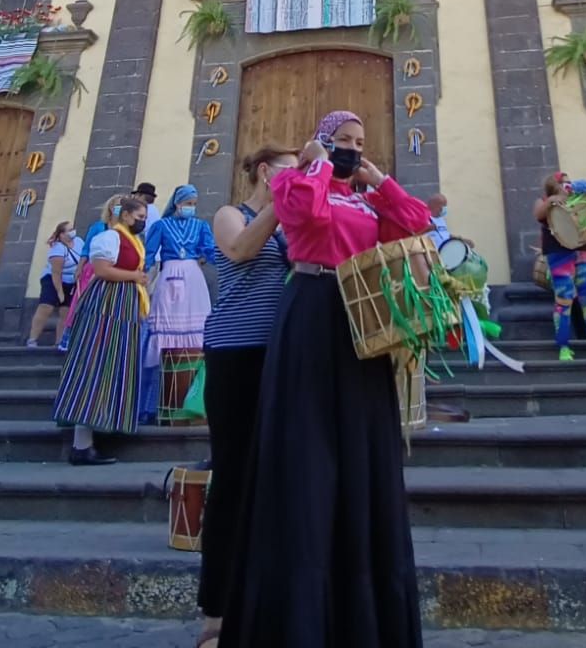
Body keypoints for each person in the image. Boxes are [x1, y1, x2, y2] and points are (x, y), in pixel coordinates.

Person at [219, 110, 429, 648]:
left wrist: (378, 181)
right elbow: (304, 216)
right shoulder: (293, 181)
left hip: (361, 320)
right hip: (311, 310)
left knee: (362, 446)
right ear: (320, 140)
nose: (351, 149)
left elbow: (414, 223)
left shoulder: (364, 198)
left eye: (359, 142)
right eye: (342, 140)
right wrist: (316, 166)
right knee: (309, 448)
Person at [198, 146, 299, 648]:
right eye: (290, 169)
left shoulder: (283, 225)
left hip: (279, 359)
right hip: (234, 356)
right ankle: (216, 613)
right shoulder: (228, 215)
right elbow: (239, 251)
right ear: (266, 172)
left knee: (279, 478)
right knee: (233, 479)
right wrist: (282, 201)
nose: (297, 176)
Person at [52, 196, 151, 466]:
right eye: (139, 216)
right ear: (127, 215)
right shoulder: (110, 238)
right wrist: (135, 277)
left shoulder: (130, 240)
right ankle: (81, 445)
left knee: (111, 364)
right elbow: (102, 269)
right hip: (106, 305)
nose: (143, 221)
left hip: (122, 306)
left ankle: (98, 431)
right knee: (95, 363)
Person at [143, 184, 215, 419]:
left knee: (196, 329)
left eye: (194, 204)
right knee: (165, 330)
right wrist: (141, 277)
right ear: (177, 203)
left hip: (193, 276)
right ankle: (155, 401)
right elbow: (150, 254)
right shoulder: (160, 226)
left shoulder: (201, 226)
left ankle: (193, 396)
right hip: (169, 276)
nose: (191, 208)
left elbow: (211, 251)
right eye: (188, 203)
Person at [536, 173, 586, 361]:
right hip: (559, 255)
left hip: (582, 251)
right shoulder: (544, 201)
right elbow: (538, 213)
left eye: (568, 182)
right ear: (553, 186)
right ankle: (563, 347)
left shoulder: (578, 199)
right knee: (563, 300)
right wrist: (552, 201)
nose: (568, 185)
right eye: (563, 183)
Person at [26, 222, 81, 347]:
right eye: (69, 230)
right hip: (52, 279)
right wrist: (60, 293)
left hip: (71, 281)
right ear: (62, 234)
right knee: (46, 307)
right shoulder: (57, 249)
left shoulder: (79, 242)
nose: (73, 231)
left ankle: (59, 341)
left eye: (73, 229)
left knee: (65, 311)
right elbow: (56, 273)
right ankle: (32, 339)